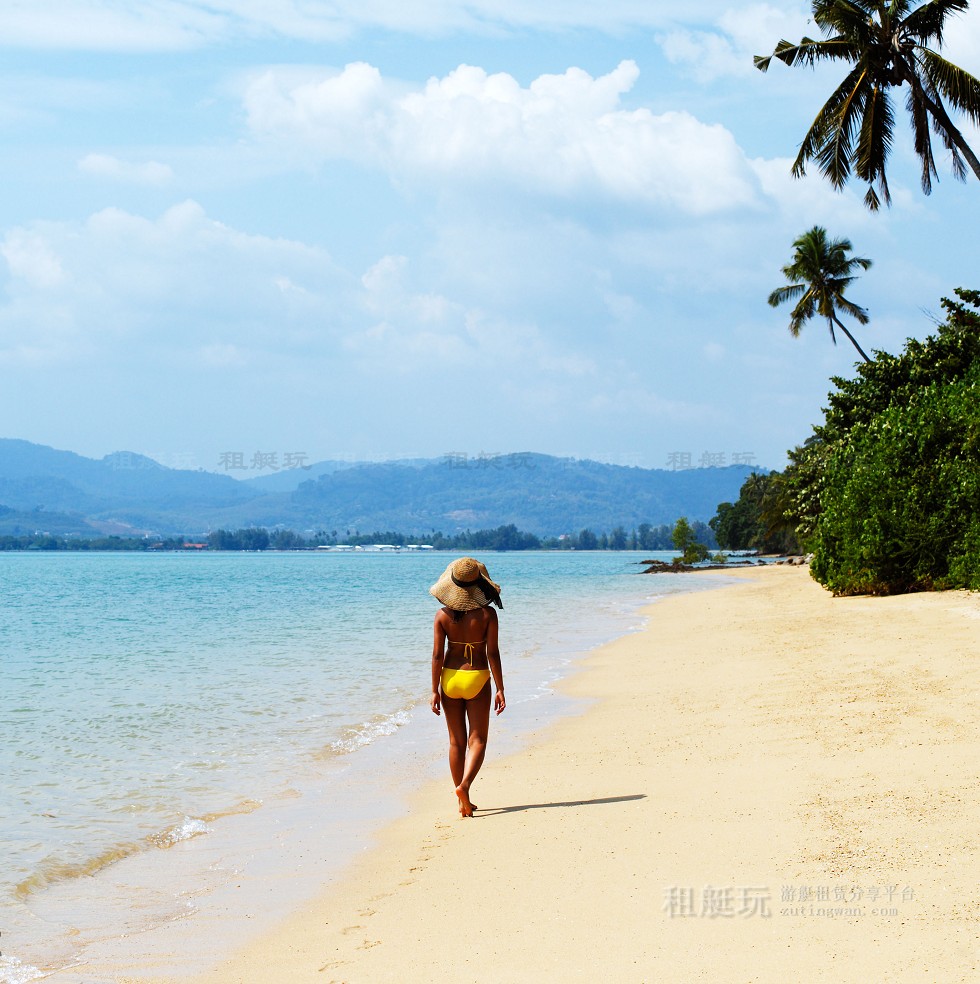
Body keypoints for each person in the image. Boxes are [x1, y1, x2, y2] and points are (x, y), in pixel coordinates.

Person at [429, 557, 505, 817]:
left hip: (449, 680)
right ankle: (464, 786)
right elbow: (493, 653)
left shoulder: (441, 616)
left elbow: (437, 656)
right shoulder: (488, 614)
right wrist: (500, 688)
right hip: (477, 677)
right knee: (478, 739)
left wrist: (433, 690)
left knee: (455, 742)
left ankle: (463, 801)